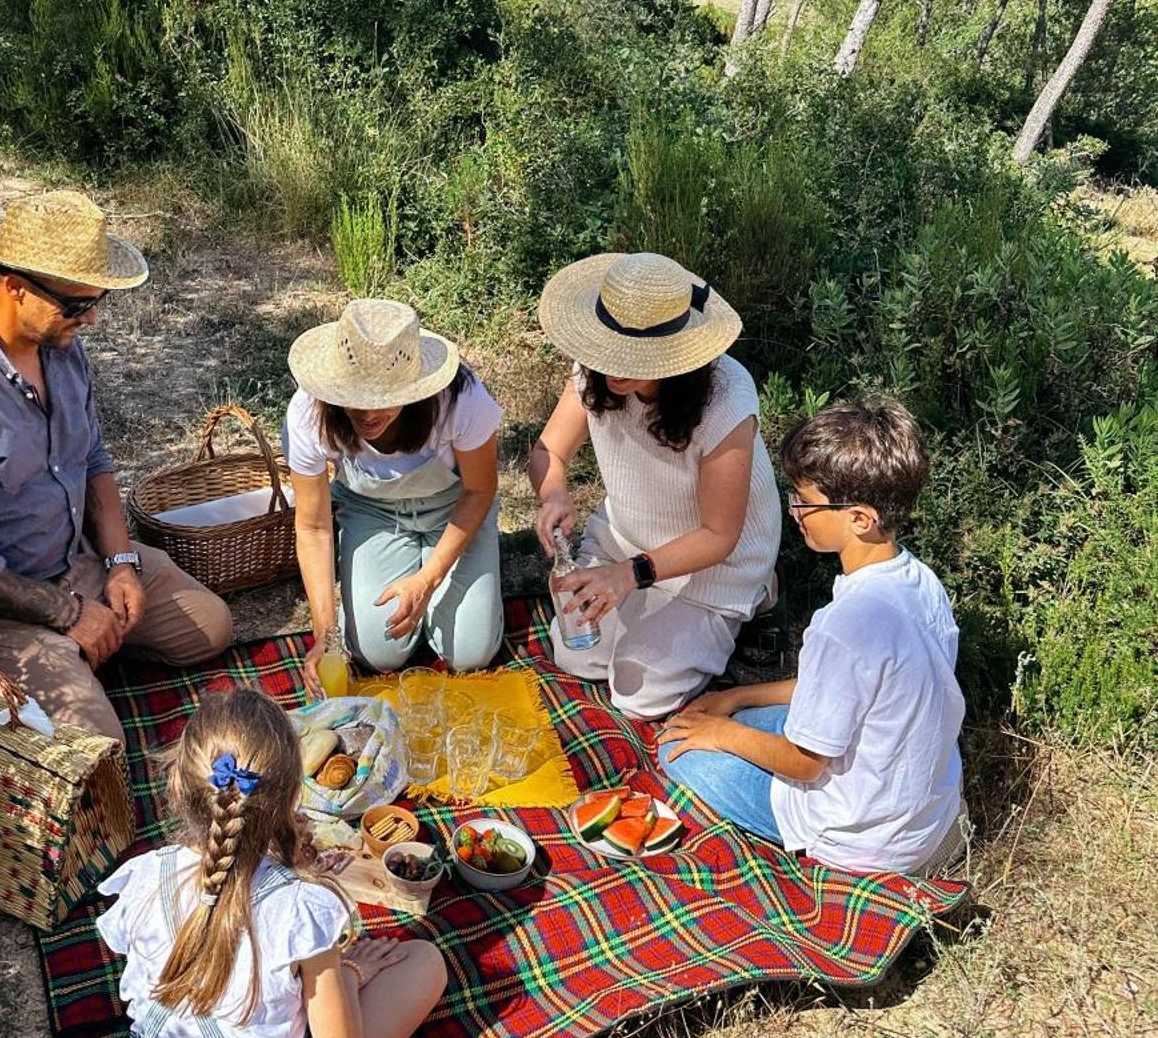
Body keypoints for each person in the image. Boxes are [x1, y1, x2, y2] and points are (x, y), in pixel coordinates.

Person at [0, 189, 234, 744]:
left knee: (210, 629)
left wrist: (119, 563)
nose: (88, 319)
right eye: (75, 305)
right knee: (96, 751)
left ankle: (78, 655)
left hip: (74, 561)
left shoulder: (60, 344)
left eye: (96, 302)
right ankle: (54, 665)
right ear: (14, 286)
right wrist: (69, 614)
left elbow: (92, 460)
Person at [96, 688, 446, 1038]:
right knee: (427, 961)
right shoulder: (301, 908)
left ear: (178, 785)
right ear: (296, 802)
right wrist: (348, 973)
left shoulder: (148, 874)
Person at [657, 399, 967, 877]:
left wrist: (722, 733)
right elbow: (840, 691)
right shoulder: (921, 582)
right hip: (921, 809)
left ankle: (809, 846)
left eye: (805, 500)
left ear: (860, 518)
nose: (796, 511)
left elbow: (805, 764)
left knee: (678, 752)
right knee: (747, 719)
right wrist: (737, 698)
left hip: (861, 838)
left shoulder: (845, 626)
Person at [529, 252, 781, 718]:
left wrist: (627, 576)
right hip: (626, 535)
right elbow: (550, 451)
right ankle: (648, 612)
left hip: (711, 566)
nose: (611, 370)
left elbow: (719, 535)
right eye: (606, 351)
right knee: (576, 653)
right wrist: (555, 494)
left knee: (638, 696)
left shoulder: (725, 397)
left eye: (631, 358)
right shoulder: (594, 368)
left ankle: (752, 596)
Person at [285, 298, 505, 687]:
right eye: (355, 399)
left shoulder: (462, 399)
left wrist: (428, 579)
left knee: (471, 653)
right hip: (373, 514)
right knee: (377, 652)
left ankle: (443, 577)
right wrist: (326, 635)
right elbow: (314, 526)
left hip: (455, 510)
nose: (369, 415)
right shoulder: (307, 412)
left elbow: (480, 489)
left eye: (385, 399)